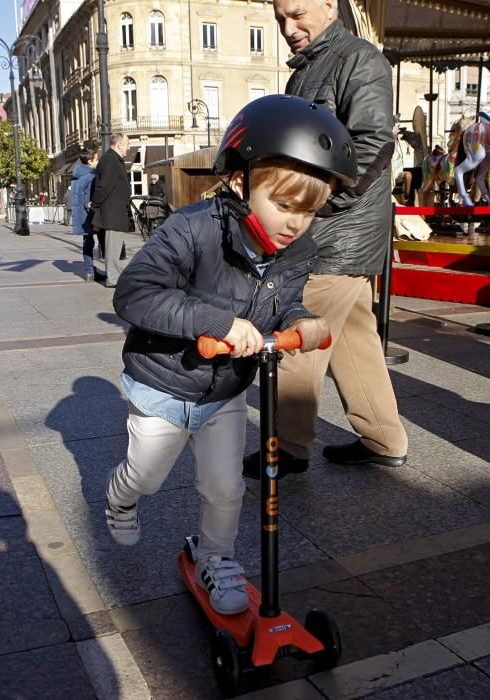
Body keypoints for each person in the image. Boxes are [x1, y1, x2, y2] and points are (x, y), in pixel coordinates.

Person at [105, 95, 355, 614]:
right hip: (163, 385)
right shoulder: (192, 228)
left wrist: (297, 322)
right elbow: (134, 294)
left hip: (225, 391)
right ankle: (121, 494)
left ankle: (216, 558)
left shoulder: (295, 250)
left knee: (225, 488)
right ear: (240, 182)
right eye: (284, 205)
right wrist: (218, 323)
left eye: (308, 211)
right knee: (148, 476)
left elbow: (282, 300)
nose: (295, 223)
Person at [242, 0, 408, 479]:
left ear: (328, 6)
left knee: (298, 335)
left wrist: (311, 205)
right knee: (355, 338)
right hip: (338, 230)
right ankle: (384, 437)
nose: (288, 28)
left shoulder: (358, 57)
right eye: (280, 19)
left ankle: (287, 449)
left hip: (336, 232)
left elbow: (373, 143)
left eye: (297, 15)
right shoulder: (313, 66)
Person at [89, 133, 133, 287]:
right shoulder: (110, 160)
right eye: (127, 144)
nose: (129, 147)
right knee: (112, 248)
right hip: (111, 212)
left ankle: (113, 275)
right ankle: (112, 278)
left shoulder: (114, 159)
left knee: (114, 247)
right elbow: (104, 186)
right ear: (119, 144)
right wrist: (95, 203)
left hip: (115, 211)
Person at [69, 148, 99, 281]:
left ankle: (89, 271)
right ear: (90, 161)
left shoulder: (77, 176)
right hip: (89, 214)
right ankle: (94, 271)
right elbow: (89, 197)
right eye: (97, 159)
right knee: (100, 241)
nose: (98, 162)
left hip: (80, 214)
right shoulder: (90, 176)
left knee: (87, 242)